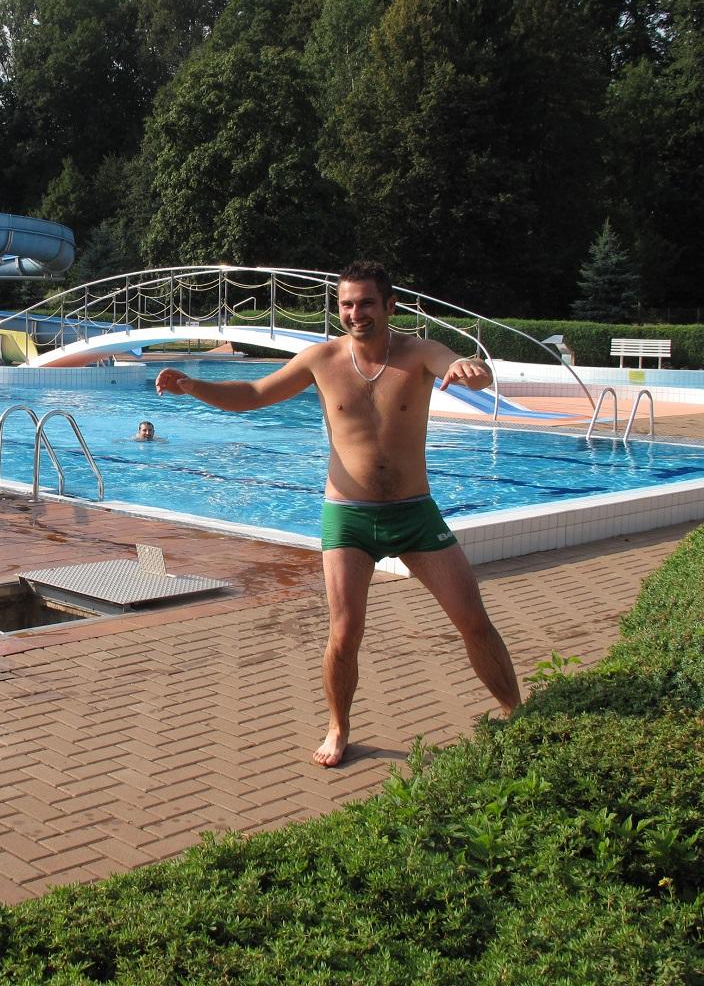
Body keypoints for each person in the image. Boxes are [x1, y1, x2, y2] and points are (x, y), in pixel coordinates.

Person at [155, 260, 520, 767]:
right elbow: (254, 394)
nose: (355, 313)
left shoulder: (419, 353)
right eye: (347, 304)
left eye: (366, 303)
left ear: (389, 305)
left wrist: (472, 368)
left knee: (473, 621)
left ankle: (515, 710)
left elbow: (462, 368)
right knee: (345, 633)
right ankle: (338, 727)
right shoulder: (321, 359)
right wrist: (194, 386)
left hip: (415, 513)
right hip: (348, 515)